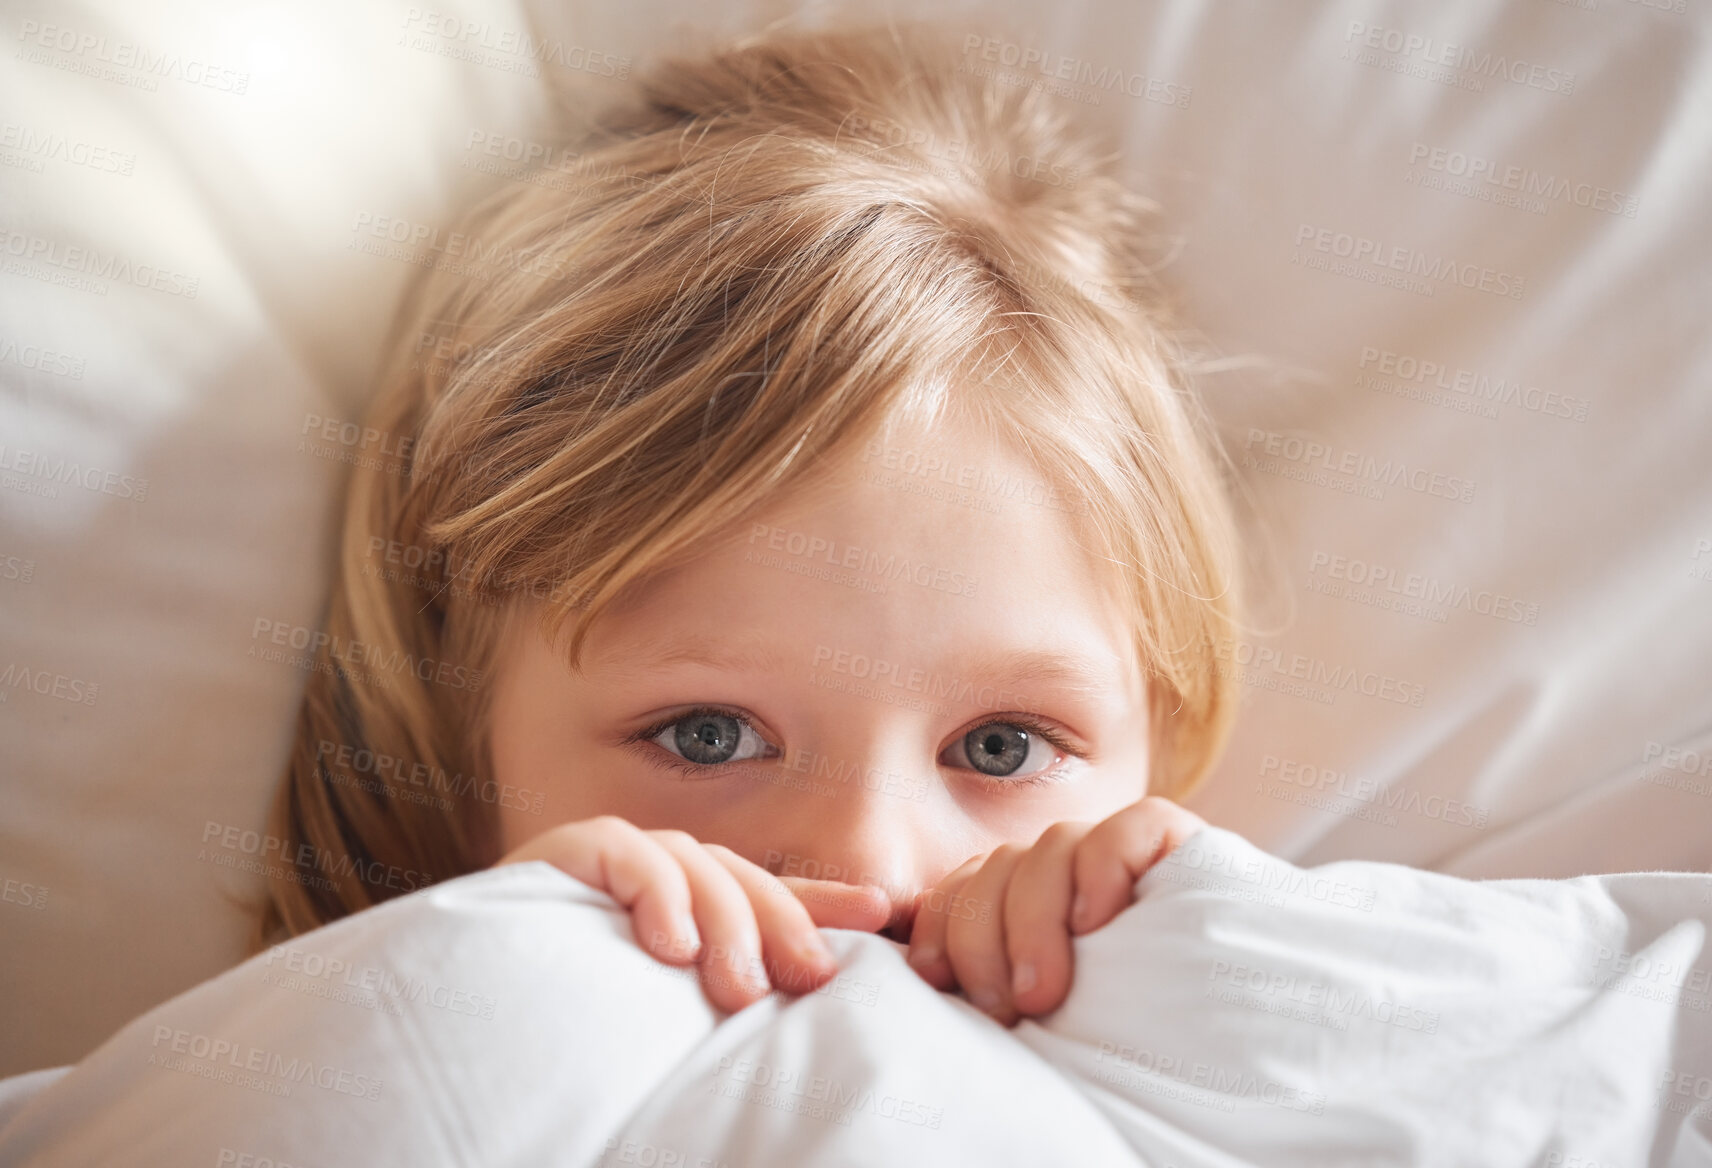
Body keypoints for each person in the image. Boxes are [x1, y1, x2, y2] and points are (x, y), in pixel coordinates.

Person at [257, 17, 1247, 1031]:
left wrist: (1223, 975)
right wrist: (472, 986)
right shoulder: (362, 1032)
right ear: (454, 762)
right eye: (708, 735)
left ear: (1154, 756)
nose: (867, 871)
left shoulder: (1215, 1001)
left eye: (1000, 747)